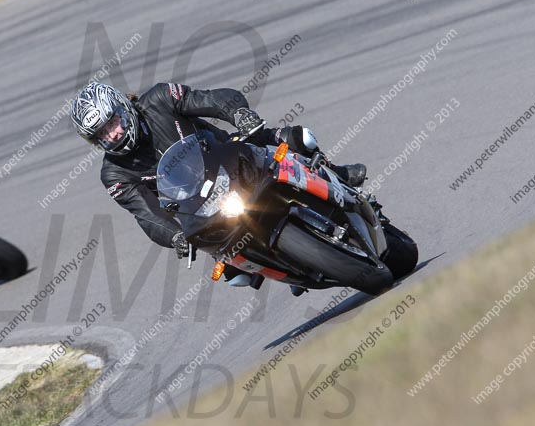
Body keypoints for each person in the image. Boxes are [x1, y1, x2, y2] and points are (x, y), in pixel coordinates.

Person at [70, 82, 366, 295]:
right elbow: (146, 215)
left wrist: (237, 112)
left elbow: (212, 99)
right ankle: (290, 268)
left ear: (123, 108)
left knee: (294, 138)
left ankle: (336, 174)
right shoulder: (114, 174)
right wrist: (175, 237)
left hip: (231, 159)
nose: (114, 133)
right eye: (103, 134)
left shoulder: (160, 98)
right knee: (235, 272)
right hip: (199, 209)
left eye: (113, 122)